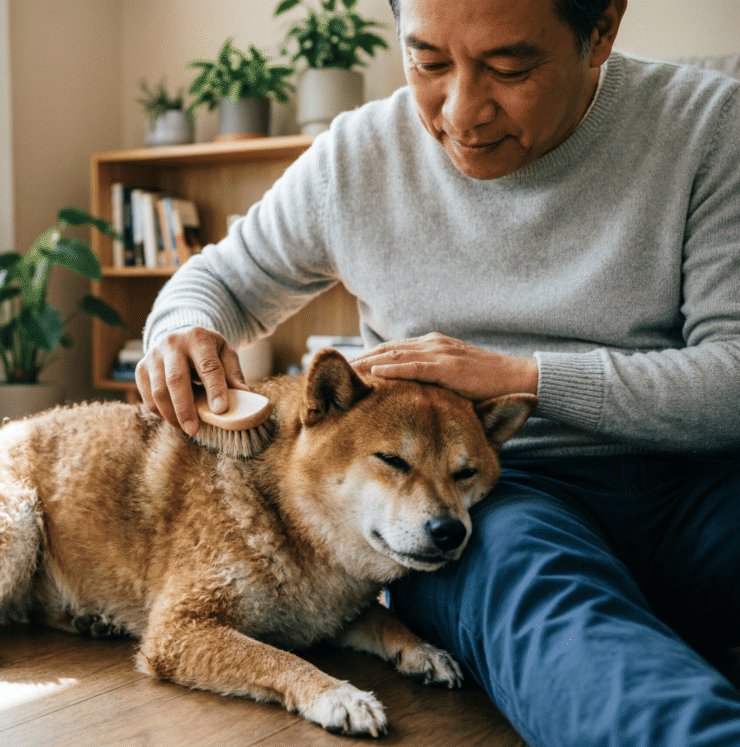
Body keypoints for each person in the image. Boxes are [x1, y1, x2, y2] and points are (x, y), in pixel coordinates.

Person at [135, 0, 740, 743]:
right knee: (557, 618)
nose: (461, 111)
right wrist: (181, 328)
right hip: (493, 501)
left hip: (702, 480)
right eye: (427, 62)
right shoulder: (359, 155)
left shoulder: (710, 126)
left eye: (509, 68)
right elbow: (219, 282)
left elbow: (733, 377)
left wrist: (520, 376)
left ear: (603, 29)